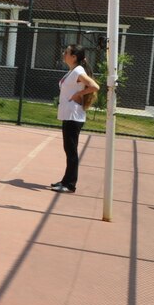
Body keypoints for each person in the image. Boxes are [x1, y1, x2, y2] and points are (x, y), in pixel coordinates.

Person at [52, 43, 100, 194]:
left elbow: (94, 86)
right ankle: (65, 180)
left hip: (74, 116)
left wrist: (78, 95)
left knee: (71, 150)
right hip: (69, 115)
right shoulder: (73, 71)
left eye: (66, 52)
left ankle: (70, 184)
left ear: (74, 57)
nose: (63, 54)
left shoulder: (78, 71)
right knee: (68, 149)